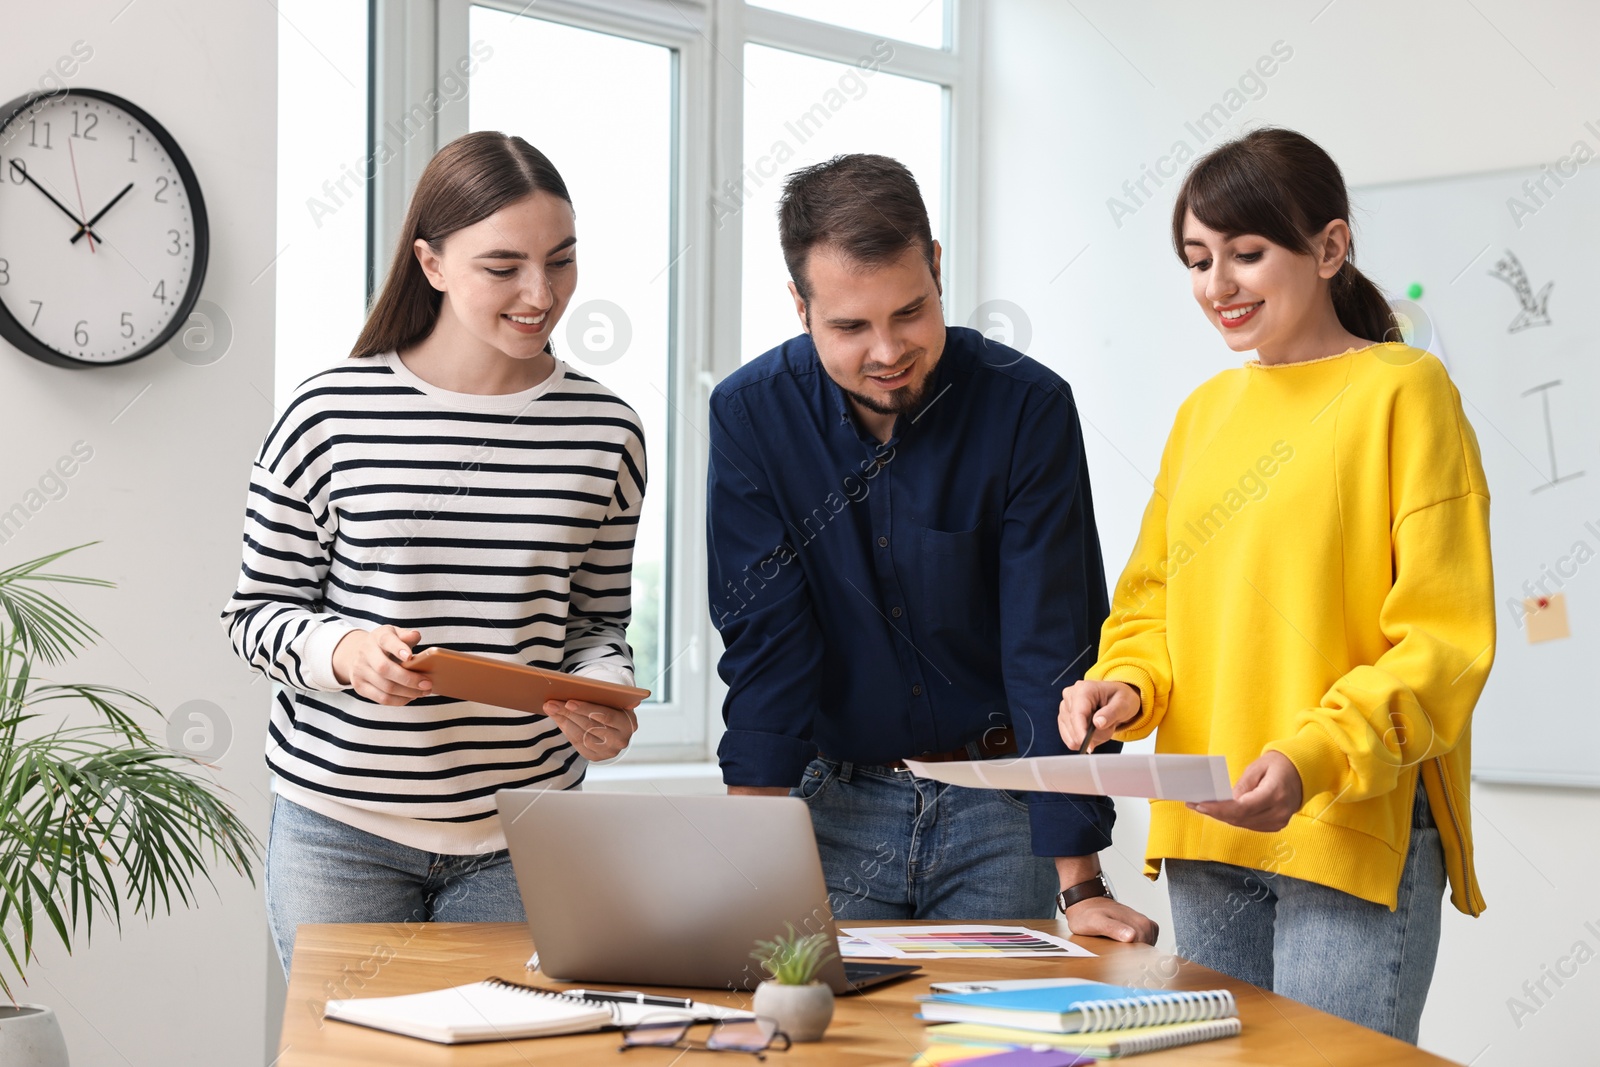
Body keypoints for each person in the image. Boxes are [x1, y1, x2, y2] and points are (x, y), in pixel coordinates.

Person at [1059, 127, 1493, 1041]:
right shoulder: (1204, 414)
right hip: (1207, 834)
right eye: (1198, 258)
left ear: (1330, 249)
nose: (1218, 285)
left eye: (1247, 253)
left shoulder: (1404, 392)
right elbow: (1151, 605)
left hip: (1345, 819)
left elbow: (1442, 641)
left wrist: (1312, 757)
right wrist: (1125, 686)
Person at [220, 131, 646, 977]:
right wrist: (341, 650)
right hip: (340, 834)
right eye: (503, 266)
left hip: (522, 834)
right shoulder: (328, 412)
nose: (540, 293)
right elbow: (253, 614)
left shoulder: (608, 430)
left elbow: (597, 620)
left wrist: (602, 691)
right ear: (432, 262)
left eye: (560, 261)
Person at [708, 153, 1157, 941]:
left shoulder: (1029, 409)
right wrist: (746, 857)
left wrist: (1079, 882)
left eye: (909, 312)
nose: (887, 351)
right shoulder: (751, 416)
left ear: (938, 267)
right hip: (835, 806)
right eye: (850, 326)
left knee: (988, 1055)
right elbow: (767, 644)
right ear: (800, 305)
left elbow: (1047, 646)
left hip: (999, 807)